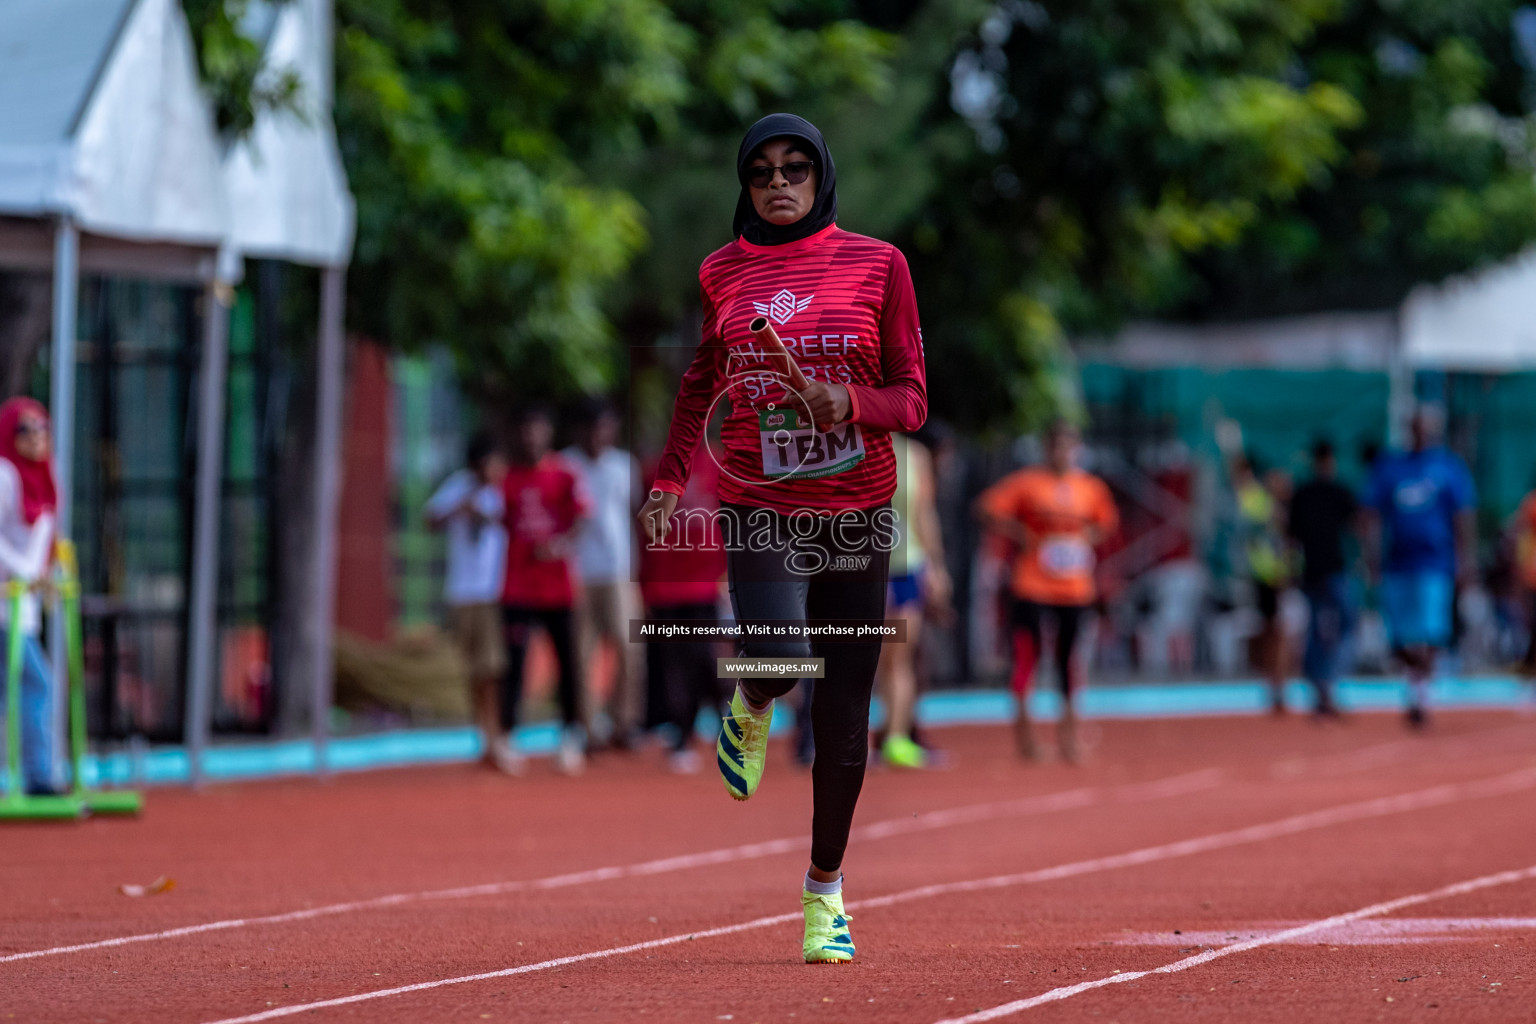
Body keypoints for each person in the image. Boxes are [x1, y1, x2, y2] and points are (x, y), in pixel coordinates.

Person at [638, 113, 926, 964]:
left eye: (796, 167)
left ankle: (824, 892)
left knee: (844, 716)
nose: (778, 182)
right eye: (761, 171)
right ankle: (754, 700)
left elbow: (911, 398)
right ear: (745, 185)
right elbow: (700, 384)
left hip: (860, 511)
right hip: (761, 500)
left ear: (821, 175)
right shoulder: (722, 271)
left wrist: (851, 404)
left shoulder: (881, 265)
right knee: (778, 652)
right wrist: (665, 478)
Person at [976, 419, 1117, 763]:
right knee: (1028, 660)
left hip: (1075, 589)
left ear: (1077, 449)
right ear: (1046, 448)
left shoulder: (1091, 488)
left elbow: (1106, 524)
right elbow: (985, 508)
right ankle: (1028, 741)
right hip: (1032, 585)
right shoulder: (1027, 483)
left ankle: (1070, 740)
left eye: (1068, 446)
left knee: (1069, 663)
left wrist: (1082, 542)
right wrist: (1020, 533)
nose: (1062, 453)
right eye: (1055, 446)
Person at [1363, 405, 1476, 729]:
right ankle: (1416, 679)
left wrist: (1463, 561)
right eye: (1413, 427)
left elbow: (1462, 515)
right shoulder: (1390, 467)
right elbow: (1371, 513)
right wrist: (1371, 556)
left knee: (1431, 633)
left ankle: (1420, 694)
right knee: (1397, 638)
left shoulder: (1448, 467)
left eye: (1423, 427)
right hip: (1397, 562)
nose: (1418, 433)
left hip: (1435, 562)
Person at [501, 407, 588, 773]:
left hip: (558, 588)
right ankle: (507, 738)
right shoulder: (508, 477)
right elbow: (500, 521)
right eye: (525, 430)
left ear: (547, 433)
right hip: (518, 587)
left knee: (567, 663)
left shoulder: (565, 474)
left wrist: (561, 544)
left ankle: (570, 737)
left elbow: (583, 516)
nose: (531, 437)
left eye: (537, 429)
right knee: (514, 665)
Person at [425, 432, 512, 770]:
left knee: (494, 668)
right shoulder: (459, 486)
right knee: (475, 669)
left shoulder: (504, 491)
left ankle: (496, 735)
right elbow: (430, 518)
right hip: (464, 591)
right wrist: (460, 507)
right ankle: (485, 736)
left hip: (495, 591)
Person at [561, 399, 644, 749]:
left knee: (629, 648)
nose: (598, 435)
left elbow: (634, 516)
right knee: (581, 653)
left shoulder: (624, 467)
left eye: (605, 427)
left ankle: (624, 722)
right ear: (579, 430)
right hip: (576, 571)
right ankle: (588, 727)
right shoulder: (564, 465)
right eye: (592, 428)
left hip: (618, 570)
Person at [639, 446, 727, 773]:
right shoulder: (655, 469)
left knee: (706, 658)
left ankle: (728, 725)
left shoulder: (721, 463)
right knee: (674, 665)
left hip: (704, 585)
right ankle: (682, 736)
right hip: (664, 585)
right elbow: (643, 526)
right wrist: (644, 582)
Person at [873, 432, 951, 768]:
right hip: (863, 568)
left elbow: (924, 513)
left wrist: (936, 567)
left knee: (899, 658)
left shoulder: (914, 455)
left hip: (906, 567)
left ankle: (895, 739)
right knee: (866, 661)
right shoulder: (848, 447)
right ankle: (856, 742)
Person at [0, 398, 60, 795]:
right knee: (37, 683)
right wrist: (24, 573)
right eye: (26, 429)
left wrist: (50, 575)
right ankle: (38, 777)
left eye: (42, 428)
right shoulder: (5, 475)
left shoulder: (44, 477)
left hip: (25, 608)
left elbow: (43, 544)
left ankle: (38, 774)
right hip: (5, 605)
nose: (37, 437)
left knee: (22, 685)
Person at [1287, 440, 1357, 717]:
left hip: (1311, 572)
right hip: (1333, 570)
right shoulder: (1337, 492)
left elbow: (1290, 537)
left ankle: (1319, 684)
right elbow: (1357, 525)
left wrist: (1292, 571)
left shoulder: (1303, 494)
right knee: (1346, 625)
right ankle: (1328, 683)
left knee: (1316, 629)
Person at [1234, 455, 1291, 714]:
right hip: (1267, 578)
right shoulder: (1259, 505)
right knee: (1272, 631)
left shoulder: (1284, 509)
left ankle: (1278, 681)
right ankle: (1274, 682)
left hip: (1283, 578)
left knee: (1280, 632)